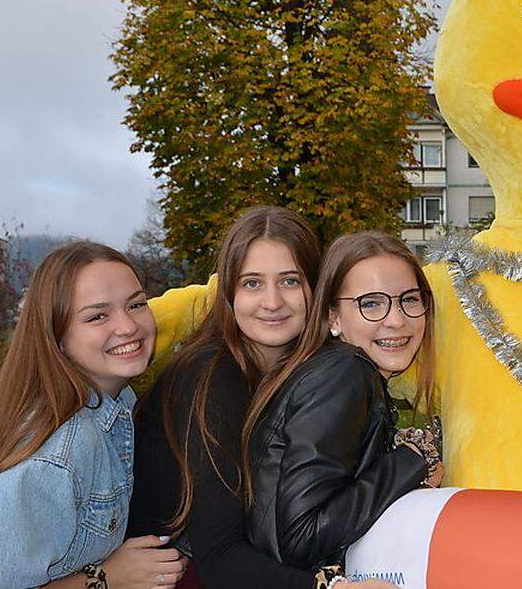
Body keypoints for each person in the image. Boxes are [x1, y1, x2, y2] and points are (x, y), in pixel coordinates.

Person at [0, 241, 187, 589]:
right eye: (98, 316)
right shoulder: (52, 455)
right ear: (57, 336)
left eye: (136, 304)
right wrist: (107, 577)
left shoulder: (114, 400)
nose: (128, 326)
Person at [130, 206, 359, 589]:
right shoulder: (211, 377)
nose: (272, 302)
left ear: (315, 288)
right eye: (252, 283)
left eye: (289, 281)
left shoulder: (305, 374)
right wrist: (333, 587)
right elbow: (220, 558)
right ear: (229, 293)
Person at [242, 230, 443, 573]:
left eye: (409, 299)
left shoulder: (332, 369)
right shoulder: (345, 373)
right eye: (371, 304)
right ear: (333, 317)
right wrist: (411, 462)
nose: (396, 320)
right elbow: (302, 536)